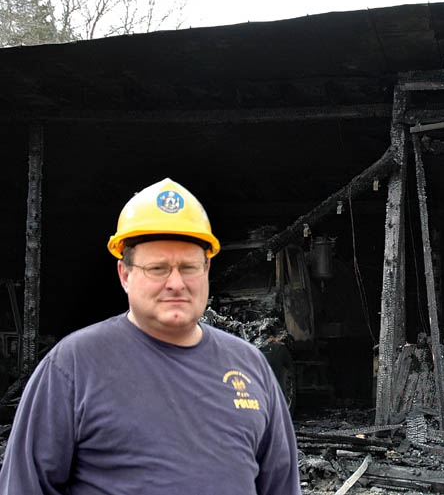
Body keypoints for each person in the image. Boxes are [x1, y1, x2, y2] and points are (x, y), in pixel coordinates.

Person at [0, 178, 301, 495]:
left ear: (207, 269)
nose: (176, 283)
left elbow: (281, 486)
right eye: (158, 268)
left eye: (188, 267)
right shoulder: (73, 367)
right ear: (125, 275)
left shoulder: (250, 367)